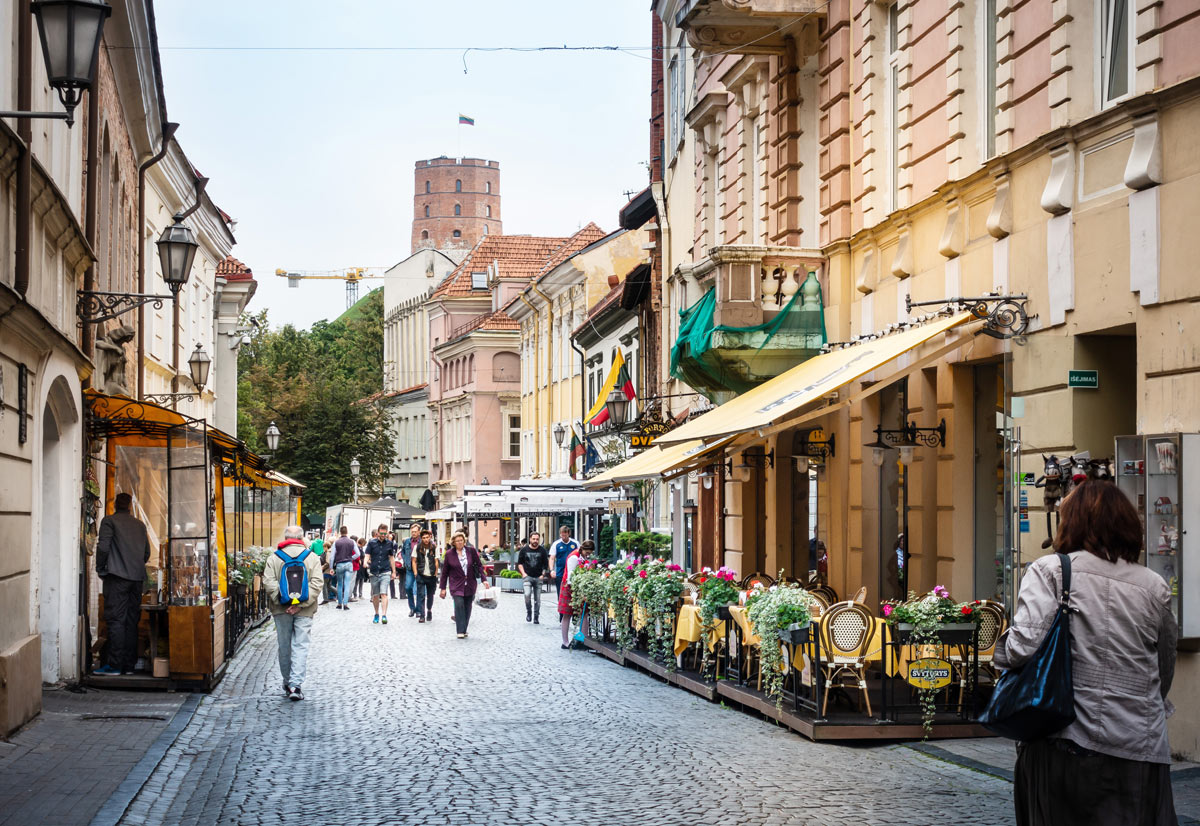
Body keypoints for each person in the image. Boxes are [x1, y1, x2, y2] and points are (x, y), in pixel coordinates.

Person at [995, 479, 1177, 825]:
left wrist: (1000, 651)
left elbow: (1022, 648)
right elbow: (1163, 667)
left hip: (1065, 739)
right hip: (1138, 744)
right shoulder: (1154, 585)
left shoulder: (1050, 571)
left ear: (1071, 522)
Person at [94, 492, 152, 675]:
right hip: (136, 579)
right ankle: (128, 665)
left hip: (117, 577)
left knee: (116, 620)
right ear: (129, 506)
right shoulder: (140, 525)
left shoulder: (109, 521)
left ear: (114, 505)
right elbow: (146, 554)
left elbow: (103, 547)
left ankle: (114, 665)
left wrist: (100, 567)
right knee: (131, 621)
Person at [263, 525, 323, 700]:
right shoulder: (312, 557)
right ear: (302, 538)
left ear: (286, 537)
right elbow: (317, 583)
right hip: (305, 610)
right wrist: (300, 604)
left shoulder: (274, 558)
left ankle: (288, 682)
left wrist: (282, 600)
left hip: (281, 610)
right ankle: (295, 686)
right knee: (301, 645)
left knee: (284, 646)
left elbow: (269, 581)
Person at [439, 532, 487, 639]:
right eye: (457, 541)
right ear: (453, 542)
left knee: (467, 606)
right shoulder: (449, 554)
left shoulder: (471, 551)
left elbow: (479, 565)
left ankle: (464, 629)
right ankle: (460, 631)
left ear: (464, 541)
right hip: (456, 584)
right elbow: (445, 572)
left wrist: (484, 580)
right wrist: (443, 588)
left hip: (470, 583)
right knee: (459, 604)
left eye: (461, 540)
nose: (460, 542)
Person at [557, 539, 593, 649]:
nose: (588, 555)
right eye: (587, 553)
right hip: (569, 587)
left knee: (585, 613)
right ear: (583, 549)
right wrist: (577, 592)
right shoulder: (574, 558)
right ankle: (565, 642)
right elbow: (570, 578)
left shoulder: (584, 557)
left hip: (580, 588)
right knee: (567, 614)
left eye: (590, 554)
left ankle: (583, 640)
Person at [365, 524, 396, 624]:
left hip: (385, 571)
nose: (383, 535)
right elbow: (367, 555)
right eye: (381, 533)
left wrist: (394, 572)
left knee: (383, 593)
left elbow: (391, 558)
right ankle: (376, 613)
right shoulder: (371, 543)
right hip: (374, 572)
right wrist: (365, 562)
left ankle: (384, 615)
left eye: (385, 533)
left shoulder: (389, 543)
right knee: (375, 595)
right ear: (378, 533)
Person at [516, 531, 549, 624]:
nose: (535, 541)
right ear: (530, 539)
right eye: (533, 539)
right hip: (527, 576)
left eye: (537, 539)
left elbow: (545, 565)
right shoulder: (524, 550)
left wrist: (543, 574)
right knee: (527, 595)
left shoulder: (542, 550)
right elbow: (520, 563)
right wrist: (523, 574)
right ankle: (529, 612)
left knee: (537, 599)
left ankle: (536, 616)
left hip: (538, 577)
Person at [411, 529, 439, 623]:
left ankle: (429, 610)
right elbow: (414, 560)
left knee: (430, 595)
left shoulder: (434, 547)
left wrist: (435, 574)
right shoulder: (417, 547)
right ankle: (422, 615)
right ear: (421, 538)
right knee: (421, 595)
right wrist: (415, 573)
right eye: (424, 538)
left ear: (430, 537)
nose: (426, 539)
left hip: (431, 575)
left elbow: (436, 561)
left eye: (427, 537)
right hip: (421, 574)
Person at [331, 526, 358, 609]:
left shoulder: (336, 542)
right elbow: (358, 554)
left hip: (339, 564)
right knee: (347, 584)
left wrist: (331, 567)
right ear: (347, 532)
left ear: (340, 532)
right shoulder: (352, 541)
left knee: (339, 584)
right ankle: (345, 604)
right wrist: (351, 558)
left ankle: (339, 603)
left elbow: (332, 557)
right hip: (349, 564)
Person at [550, 525, 579, 596]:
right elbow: (552, 558)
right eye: (562, 535)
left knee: (573, 592)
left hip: (573, 571)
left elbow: (580, 556)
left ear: (568, 534)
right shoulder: (556, 544)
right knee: (560, 592)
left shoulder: (575, 543)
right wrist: (552, 570)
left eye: (565, 535)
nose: (563, 537)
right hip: (560, 572)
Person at [401, 523, 421, 618]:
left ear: (419, 532)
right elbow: (403, 551)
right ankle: (412, 608)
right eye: (412, 531)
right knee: (408, 587)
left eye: (415, 531)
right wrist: (406, 561)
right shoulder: (407, 541)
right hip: (409, 568)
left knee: (419, 590)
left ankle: (418, 609)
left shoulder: (422, 541)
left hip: (420, 569)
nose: (413, 533)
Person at [352, 535, 368, 600]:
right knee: (357, 580)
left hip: (362, 567)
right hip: (359, 566)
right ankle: (355, 594)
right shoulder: (357, 548)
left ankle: (360, 594)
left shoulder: (361, 548)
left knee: (361, 580)